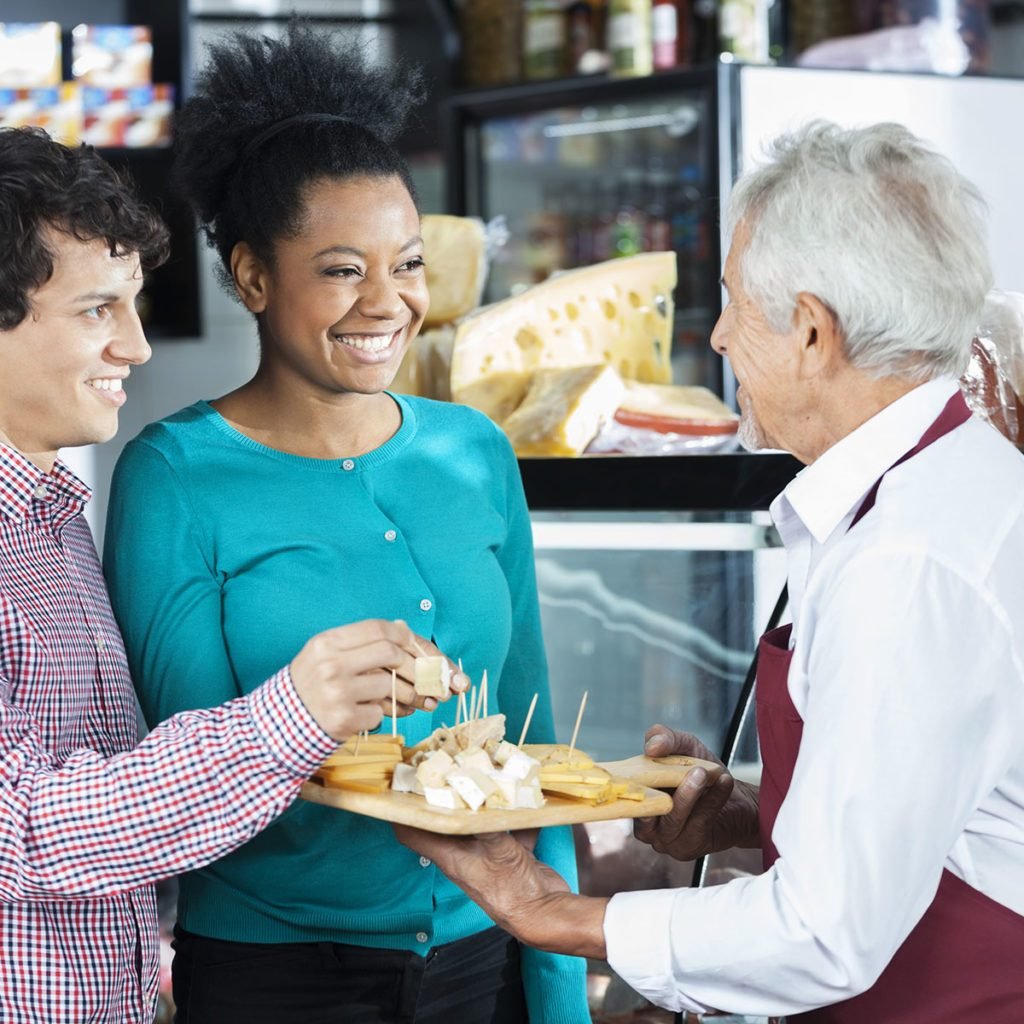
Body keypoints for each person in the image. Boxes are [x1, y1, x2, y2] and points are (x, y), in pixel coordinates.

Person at [395, 120, 1024, 1023]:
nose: (720, 337)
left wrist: (550, 912)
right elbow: (949, 808)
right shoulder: (947, 479)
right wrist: (750, 814)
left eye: (732, 301)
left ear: (812, 331)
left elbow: (822, 933)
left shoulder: (907, 564)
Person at [103, 23, 587, 1024]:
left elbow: (538, 751)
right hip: (278, 977)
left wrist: (557, 986)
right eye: (339, 269)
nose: (386, 301)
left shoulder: (474, 451)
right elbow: (182, 780)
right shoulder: (174, 476)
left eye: (404, 262)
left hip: (484, 958)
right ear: (251, 276)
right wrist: (313, 705)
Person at [0, 124, 462, 1024]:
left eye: (133, 306)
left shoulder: (51, 515)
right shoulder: (154, 478)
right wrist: (292, 713)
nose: (136, 348)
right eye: (98, 310)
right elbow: (20, 831)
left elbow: (108, 802)